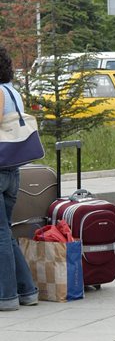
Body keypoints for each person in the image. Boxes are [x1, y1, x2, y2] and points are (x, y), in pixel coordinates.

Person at [0, 45, 39, 311]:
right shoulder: (12, 90)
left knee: (1, 234)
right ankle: (27, 291)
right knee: (5, 232)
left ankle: (7, 297)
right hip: (12, 169)